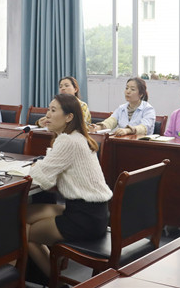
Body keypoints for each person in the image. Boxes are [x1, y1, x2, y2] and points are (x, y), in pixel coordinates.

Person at [26, 94, 113, 278]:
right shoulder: (77, 137)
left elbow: (41, 179)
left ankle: (56, 281)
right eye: (48, 109)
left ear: (69, 117)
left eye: (53, 110)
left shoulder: (68, 141)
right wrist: (40, 167)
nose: (47, 115)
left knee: (24, 232)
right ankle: (51, 272)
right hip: (95, 213)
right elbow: (49, 174)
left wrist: (36, 167)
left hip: (84, 219)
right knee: (23, 214)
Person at [89, 77, 156, 136]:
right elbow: (111, 122)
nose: (128, 91)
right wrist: (98, 127)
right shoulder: (121, 108)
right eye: (127, 88)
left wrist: (128, 130)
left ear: (141, 94)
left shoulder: (148, 109)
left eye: (132, 89)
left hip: (141, 144)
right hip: (123, 142)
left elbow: (144, 128)